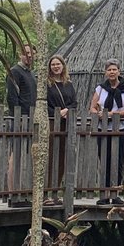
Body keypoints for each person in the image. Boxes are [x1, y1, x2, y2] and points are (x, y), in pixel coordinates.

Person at [90, 59, 124, 206]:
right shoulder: (100, 89)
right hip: (102, 130)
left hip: (120, 129)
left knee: (118, 161)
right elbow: (92, 107)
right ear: (105, 72)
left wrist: (109, 114)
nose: (112, 72)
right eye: (109, 70)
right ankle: (104, 194)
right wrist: (98, 114)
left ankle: (115, 194)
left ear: (119, 72)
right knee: (104, 161)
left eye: (114, 69)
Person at [45, 54, 77, 205]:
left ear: (63, 66)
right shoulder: (47, 84)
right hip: (52, 123)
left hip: (66, 123)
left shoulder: (68, 84)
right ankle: (46, 193)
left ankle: (56, 191)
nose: (56, 66)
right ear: (50, 67)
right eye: (53, 64)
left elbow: (74, 103)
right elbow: (44, 104)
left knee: (62, 158)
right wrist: (57, 113)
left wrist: (66, 111)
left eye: (58, 64)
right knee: (51, 156)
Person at [5, 43, 36, 192]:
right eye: (26, 53)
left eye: (31, 54)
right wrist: (17, 117)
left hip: (30, 119)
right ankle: (13, 192)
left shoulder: (30, 73)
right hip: (19, 119)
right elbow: (11, 97)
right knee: (15, 156)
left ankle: (21, 190)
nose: (29, 56)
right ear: (20, 54)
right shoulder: (15, 72)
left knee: (25, 157)